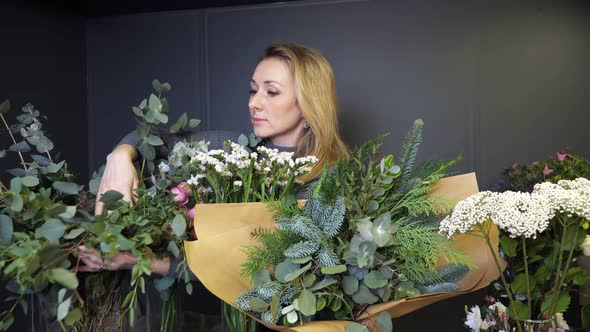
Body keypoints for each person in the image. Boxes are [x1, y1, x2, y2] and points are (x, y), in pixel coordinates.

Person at [79, 43, 349, 277]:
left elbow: (267, 272)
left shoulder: (325, 182)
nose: (253, 103)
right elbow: (154, 140)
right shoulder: (232, 152)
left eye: (272, 92)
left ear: (309, 103)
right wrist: (119, 158)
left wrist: (145, 261)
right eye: (253, 90)